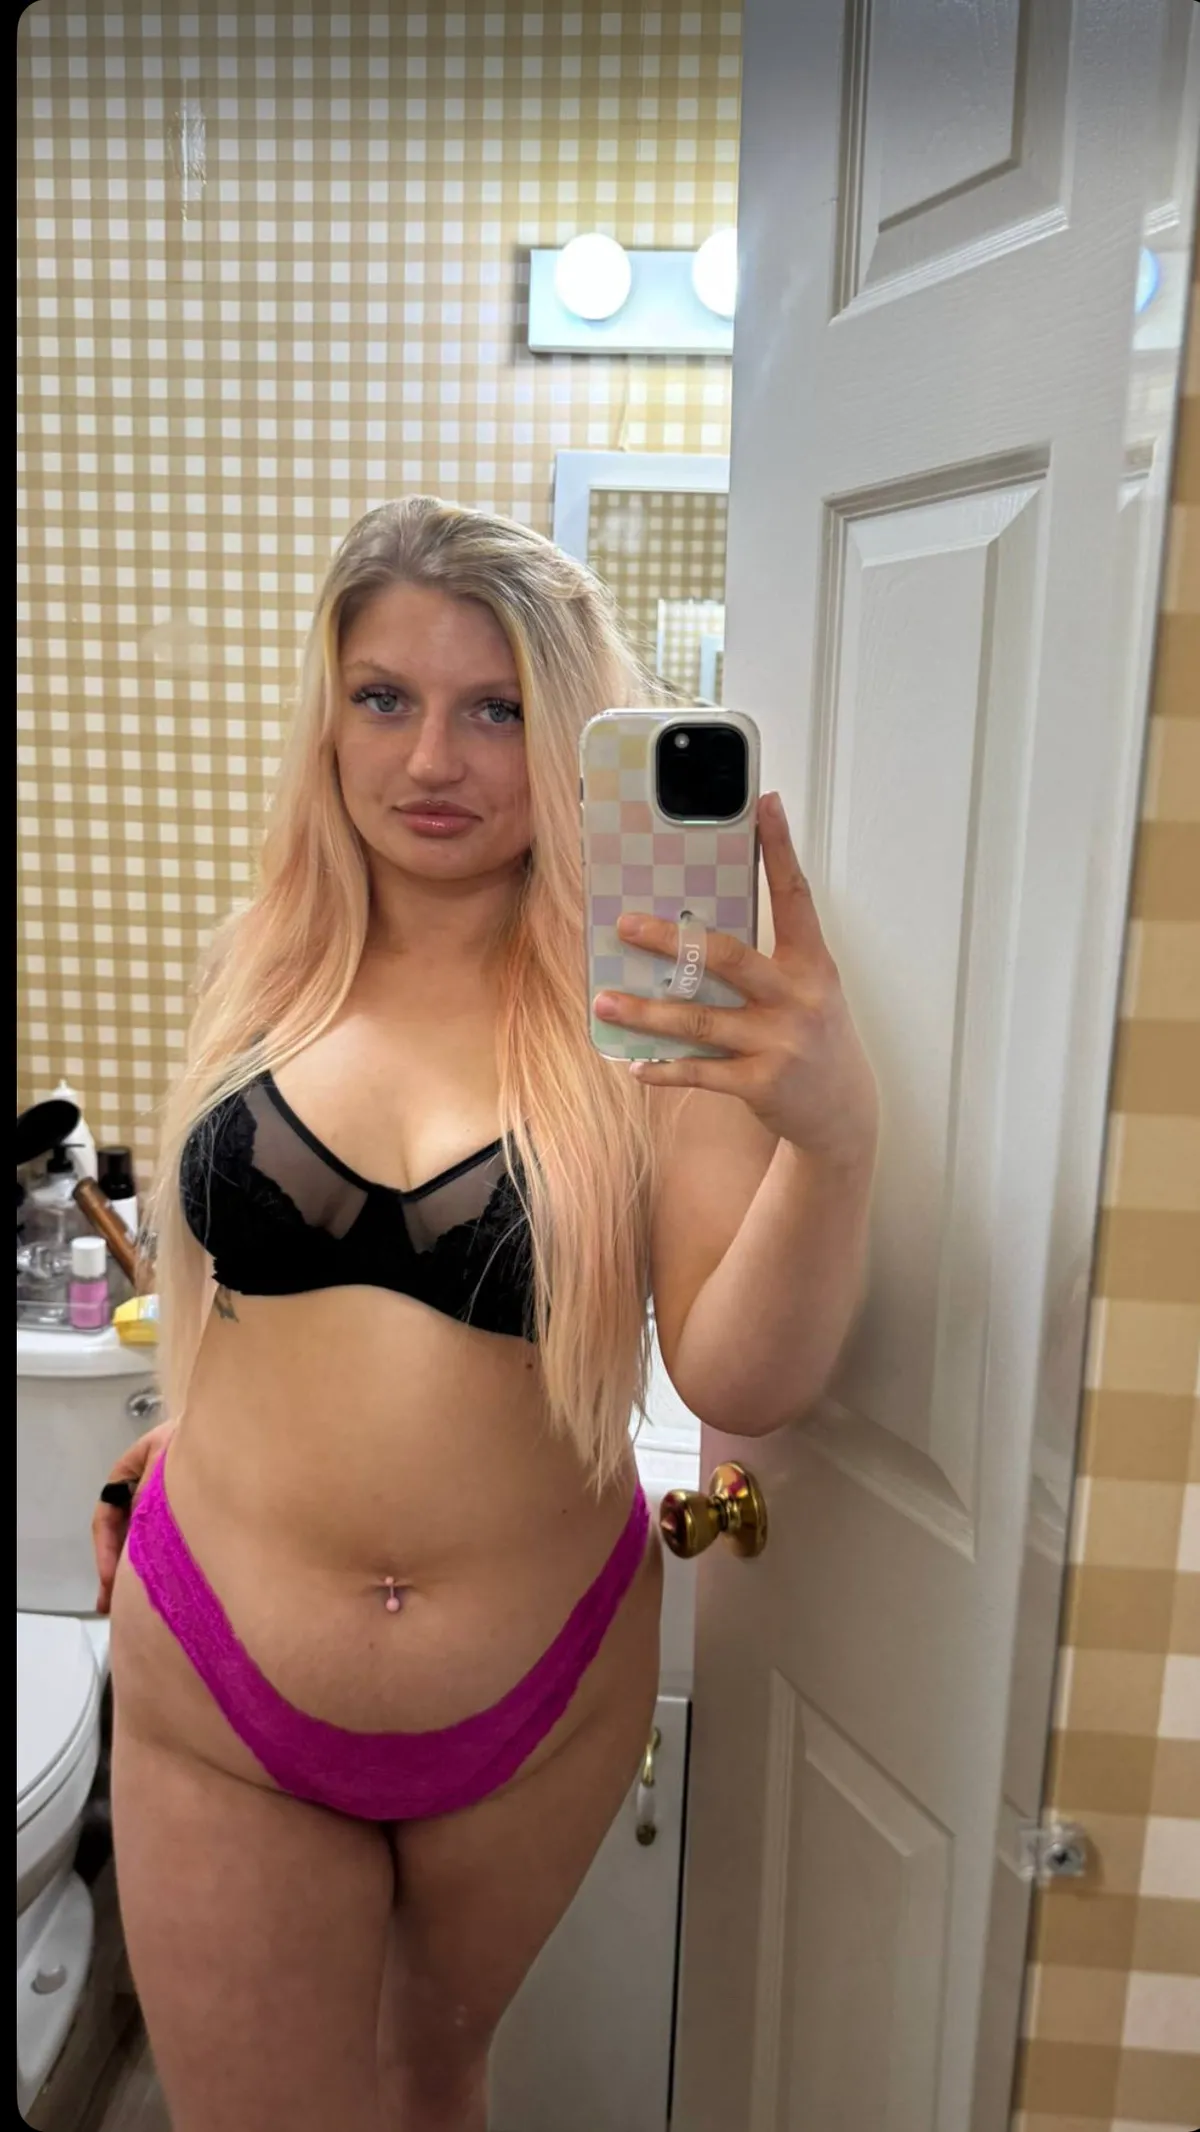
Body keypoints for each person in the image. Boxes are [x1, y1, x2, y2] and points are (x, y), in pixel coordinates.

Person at [92, 496, 879, 2132]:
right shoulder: (262, 964)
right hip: (219, 1673)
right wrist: (172, 1442)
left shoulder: (649, 1006)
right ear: (328, 717)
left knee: (435, 2085)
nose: (432, 759)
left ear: (571, 730)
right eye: (384, 698)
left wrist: (832, 1141)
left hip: (540, 1694)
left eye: (497, 709)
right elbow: (224, 1305)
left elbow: (742, 1375)